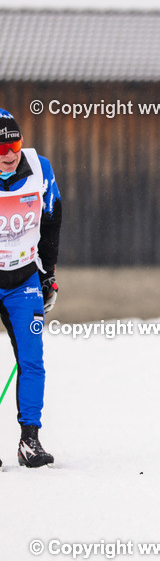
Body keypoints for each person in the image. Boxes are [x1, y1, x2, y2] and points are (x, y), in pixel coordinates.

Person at [0, 109, 62, 468]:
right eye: (0, 148)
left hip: (23, 279)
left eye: (14, 143)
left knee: (32, 359)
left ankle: (30, 441)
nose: (9, 154)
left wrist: (47, 274)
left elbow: (53, 220)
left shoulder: (40, 170)